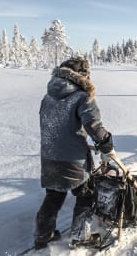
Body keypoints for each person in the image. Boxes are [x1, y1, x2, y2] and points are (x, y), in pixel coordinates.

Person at [34, 57, 115, 250]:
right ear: (83, 75)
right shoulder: (81, 97)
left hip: (49, 156)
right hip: (73, 160)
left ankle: (43, 236)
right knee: (86, 194)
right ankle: (80, 235)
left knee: (53, 195)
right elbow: (94, 126)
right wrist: (106, 144)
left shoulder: (48, 96)